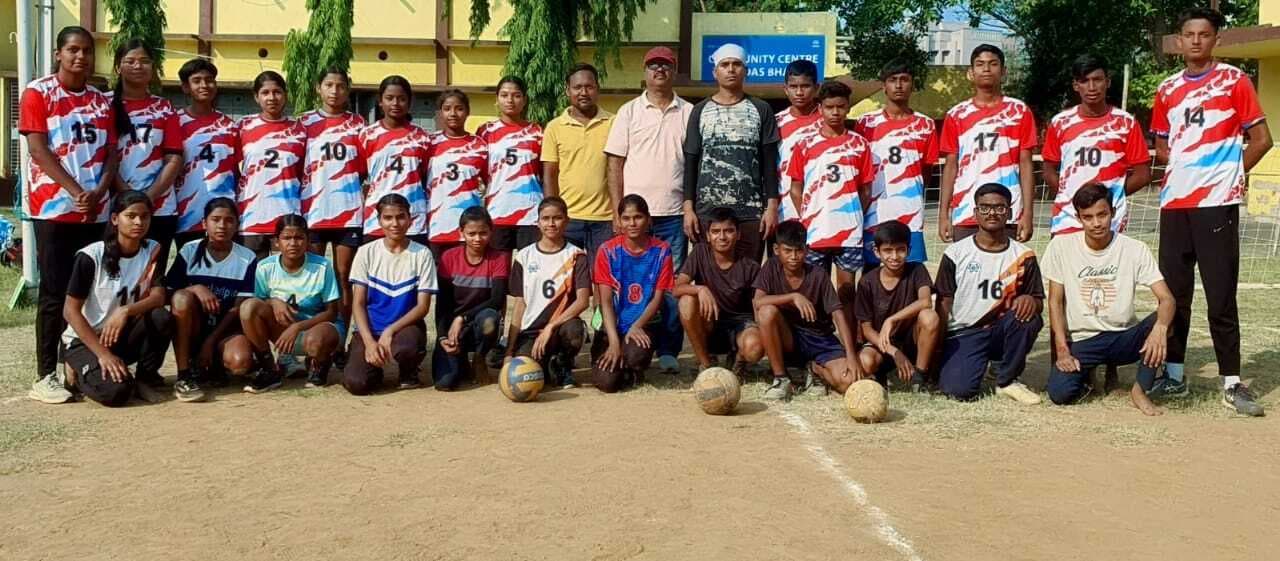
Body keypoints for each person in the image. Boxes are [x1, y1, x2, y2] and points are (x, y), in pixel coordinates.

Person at [1151, 8, 1272, 416]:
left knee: (1220, 295)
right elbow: (1164, 146)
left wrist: (1228, 175)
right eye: (1189, 34)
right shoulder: (1167, 89)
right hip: (1175, 204)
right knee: (1175, 293)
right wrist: (1187, 167)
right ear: (1180, 41)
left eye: (1204, 34)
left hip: (1216, 204)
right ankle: (1173, 374)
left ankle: (1232, 383)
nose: (1196, 41)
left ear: (1216, 39)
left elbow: (1261, 139)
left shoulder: (1234, 81)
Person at [22, 26, 117, 404]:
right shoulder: (37, 92)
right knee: (54, 292)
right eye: (73, 50)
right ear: (59, 54)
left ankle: (74, 366)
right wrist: (75, 191)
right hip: (55, 208)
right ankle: (45, 373)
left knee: (88, 294)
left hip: (95, 211)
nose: (80, 57)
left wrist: (99, 191)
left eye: (87, 51)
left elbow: (111, 152)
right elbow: (38, 149)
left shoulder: (101, 100)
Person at [1043, 183, 1175, 415]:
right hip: (1084, 339)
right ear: (1078, 218)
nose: (1096, 223)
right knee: (1060, 394)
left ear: (1113, 212)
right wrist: (1062, 349)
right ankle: (1090, 374)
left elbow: (1167, 299)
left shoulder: (1134, 249)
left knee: (1172, 317)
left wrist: (1160, 328)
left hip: (1124, 337)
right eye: (1088, 217)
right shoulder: (1061, 247)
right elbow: (1055, 301)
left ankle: (1140, 389)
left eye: (1102, 214)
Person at [604, 46, 693, 374]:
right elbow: (615, 162)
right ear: (645, 72)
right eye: (653, 66)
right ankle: (624, 338)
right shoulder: (628, 112)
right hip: (633, 218)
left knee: (668, 286)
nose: (659, 71)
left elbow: (693, 164)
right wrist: (617, 211)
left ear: (673, 71)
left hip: (672, 214)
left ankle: (669, 349)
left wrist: (689, 208)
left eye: (666, 66)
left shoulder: (688, 112)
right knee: (628, 281)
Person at [934, 184, 1044, 404]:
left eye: (1000, 208)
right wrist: (937, 350)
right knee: (959, 391)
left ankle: (1007, 380)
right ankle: (969, 363)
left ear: (1010, 212)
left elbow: (1039, 300)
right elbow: (943, 304)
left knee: (1029, 317)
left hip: (1002, 330)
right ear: (975, 213)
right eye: (985, 208)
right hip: (965, 333)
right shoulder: (956, 253)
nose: (992, 213)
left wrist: (1030, 299)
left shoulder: (1024, 256)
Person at [61, 191, 172, 407]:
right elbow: (70, 311)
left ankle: (144, 378)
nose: (138, 222)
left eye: (145, 216)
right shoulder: (91, 256)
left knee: (161, 317)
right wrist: (103, 354)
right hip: (85, 340)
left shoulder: (152, 250)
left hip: (120, 333)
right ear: (114, 219)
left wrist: (125, 311)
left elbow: (159, 297)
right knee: (116, 393)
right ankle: (74, 367)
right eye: (131, 216)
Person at [786, 80, 874, 332]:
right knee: (816, 290)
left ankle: (850, 343)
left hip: (848, 232)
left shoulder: (859, 144)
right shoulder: (805, 143)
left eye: (841, 107)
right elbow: (795, 188)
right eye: (829, 107)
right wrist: (808, 217)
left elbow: (865, 190)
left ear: (848, 108)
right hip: (816, 231)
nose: (835, 112)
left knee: (846, 291)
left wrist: (854, 216)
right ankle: (819, 342)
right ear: (820, 107)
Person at [683, 43, 781, 261]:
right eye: (724, 64)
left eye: (736, 64)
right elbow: (690, 162)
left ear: (745, 70)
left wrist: (771, 207)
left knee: (748, 278)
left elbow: (768, 163)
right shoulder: (699, 111)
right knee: (708, 281)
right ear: (715, 72)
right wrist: (688, 210)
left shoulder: (761, 109)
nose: (731, 69)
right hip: (707, 212)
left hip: (750, 212)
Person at [1042, 54, 1152, 236]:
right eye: (1085, 81)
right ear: (1076, 85)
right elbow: (1048, 170)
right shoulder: (1060, 122)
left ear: (1107, 82)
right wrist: (1068, 195)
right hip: (1067, 218)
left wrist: (1111, 195)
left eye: (1097, 80)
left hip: (1110, 220)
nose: (1091, 87)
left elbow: (1143, 174)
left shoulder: (1126, 123)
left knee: (1109, 265)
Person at [938, 44, 1037, 243]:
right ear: (970, 73)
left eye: (993, 64)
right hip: (966, 210)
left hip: (1008, 210)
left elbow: (1026, 164)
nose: (986, 69)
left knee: (1008, 272)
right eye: (980, 64)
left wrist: (1027, 213)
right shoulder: (957, 114)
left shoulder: (1019, 111)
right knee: (966, 271)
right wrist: (943, 215)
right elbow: (950, 166)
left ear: (1003, 71)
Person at [754, 220, 863, 400]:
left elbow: (838, 314)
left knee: (849, 382)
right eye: (787, 251)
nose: (793, 256)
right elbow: (758, 302)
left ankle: (816, 368)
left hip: (819, 339)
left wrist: (851, 355)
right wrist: (793, 297)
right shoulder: (771, 267)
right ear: (776, 250)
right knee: (766, 312)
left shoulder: (818, 274)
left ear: (807, 249)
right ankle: (781, 378)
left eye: (798, 250)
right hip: (789, 338)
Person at [300, 67, 365, 360]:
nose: (334, 91)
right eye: (329, 85)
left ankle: (340, 339)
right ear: (318, 88)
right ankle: (311, 339)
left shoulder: (359, 125)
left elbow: (365, 168)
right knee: (313, 277)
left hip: (348, 212)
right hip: (313, 212)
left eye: (340, 86)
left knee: (343, 277)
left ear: (348, 90)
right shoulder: (304, 124)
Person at [343, 194, 437, 395]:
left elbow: (423, 307)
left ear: (410, 219)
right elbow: (358, 303)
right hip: (370, 328)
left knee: (407, 347)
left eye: (401, 217)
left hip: (404, 328)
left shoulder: (422, 254)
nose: (395, 223)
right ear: (379, 221)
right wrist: (369, 342)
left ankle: (408, 371)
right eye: (388, 218)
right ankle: (374, 369)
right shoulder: (366, 252)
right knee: (356, 383)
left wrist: (390, 331)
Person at [237, 215, 342, 393]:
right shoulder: (265, 267)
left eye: (299, 238)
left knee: (316, 342)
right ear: (276, 242)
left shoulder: (323, 267)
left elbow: (331, 312)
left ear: (308, 240)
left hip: (316, 327)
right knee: (248, 307)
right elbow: (257, 303)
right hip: (283, 331)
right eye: (287, 238)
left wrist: (298, 327)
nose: (293, 243)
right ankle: (269, 368)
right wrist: (274, 301)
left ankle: (320, 363)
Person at [166, 198, 258, 402]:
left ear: (237, 224)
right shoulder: (189, 251)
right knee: (181, 297)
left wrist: (211, 340)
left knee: (240, 364)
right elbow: (168, 292)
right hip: (194, 329)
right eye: (215, 219)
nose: (222, 226)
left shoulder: (247, 257)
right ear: (204, 223)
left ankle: (214, 365)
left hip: (225, 330)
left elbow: (237, 308)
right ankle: (184, 374)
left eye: (229, 220)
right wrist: (196, 288)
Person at [854, 60, 938, 266]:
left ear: (912, 85)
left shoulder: (925, 124)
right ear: (884, 86)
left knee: (910, 274)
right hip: (874, 213)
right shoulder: (866, 123)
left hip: (910, 212)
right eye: (892, 80)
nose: (898, 85)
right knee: (873, 275)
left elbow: (926, 170)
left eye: (904, 80)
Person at [108, 39, 183, 268]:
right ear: (118, 67)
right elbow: (102, 155)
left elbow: (174, 158)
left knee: (152, 275)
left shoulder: (165, 108)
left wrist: (147, 198)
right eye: (130, 61)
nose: (138, 66)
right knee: (114, 270)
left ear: (153, 67)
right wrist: (128, 197)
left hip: (159, 208)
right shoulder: (104, 103)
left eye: (144, 61)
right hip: (116, 205)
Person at [591, 195, 674, 393]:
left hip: (641, 324)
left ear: (648, 220)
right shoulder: (607, 251)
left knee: (636, 357)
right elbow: (606, 302)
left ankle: (632, 368)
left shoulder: (662, 251)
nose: (632, 223)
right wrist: (612, 342)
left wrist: (637, 326)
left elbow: (657, 298)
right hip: (611, 326)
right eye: (626, 218)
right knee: (606, 384)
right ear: (618, 221)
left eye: (638, 217)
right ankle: (606, 350)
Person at [505, 197, 591, 388]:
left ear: (567, 221)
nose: (551, 223)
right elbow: (520, 304)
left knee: (575, 329)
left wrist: (551, 326)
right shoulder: (524, 256)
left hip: (561, 328)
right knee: (530, 377)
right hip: (531, 332)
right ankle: (545, 364)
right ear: (538, 222)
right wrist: (510, 351)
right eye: (545, 218)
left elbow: (583, 301)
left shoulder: (577, 256)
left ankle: (563, 363)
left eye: (557, 218)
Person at [673, 207, 763, 377]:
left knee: (755, 348)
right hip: (710, 323)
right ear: (708, 235)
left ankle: (739, 360)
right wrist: (700, 288)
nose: (722, 237)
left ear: (738, 234)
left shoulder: (750, 266)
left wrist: (760, 340)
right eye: (716, 231)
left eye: (728, 231)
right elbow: (677, 288)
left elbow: (758, 306)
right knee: (686, 300)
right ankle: (706, 365)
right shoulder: (700, 252)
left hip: (740, 325)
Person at [543, 63, 616, 268]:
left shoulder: (614, 123)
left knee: (604, 280)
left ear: (597, 89)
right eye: (577, 87)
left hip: (605, 219)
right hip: (568, 219)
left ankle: (601, 304)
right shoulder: (554, 127)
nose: (583, 92)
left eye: (589, 87)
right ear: (567, 90)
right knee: (566, 280)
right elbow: (549, 174)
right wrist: (553, 214)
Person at [853, 221, 939, 390]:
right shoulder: (867, 282)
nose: (894, 256)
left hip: (910, 340)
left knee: (929, 316)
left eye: (900, 249)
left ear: (908, 249)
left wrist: (891, 320)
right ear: (877, 252)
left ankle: (919, 376)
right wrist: (894, 352)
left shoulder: (917, 270)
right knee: (866, 361)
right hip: (881, 342)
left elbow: (926, 301)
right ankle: (880, 373)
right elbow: (867, 330)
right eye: (887, 250)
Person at [432, 207, 509, 391]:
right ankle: (460, 361)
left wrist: (463, 318)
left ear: (491, 232)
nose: (477, 239)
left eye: (483, 233)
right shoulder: (449, 257)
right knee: (445, 384)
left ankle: (480, 357)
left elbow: (497, 300)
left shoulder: (499, 258)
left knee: (490, 318)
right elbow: (442, 303)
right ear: (461, 233)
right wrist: (443, 336)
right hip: (453, 329)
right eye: (471, 233)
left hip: (479, 324)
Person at [237, 71, 305, 258]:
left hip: (287, 216)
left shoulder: (299, 130)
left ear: (285, 95)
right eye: (265, 92)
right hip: (251, 216)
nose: (272, 97)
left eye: (277, 92)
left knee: (283, 279)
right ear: (256, 97)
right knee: (251, 280)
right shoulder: (243, 126)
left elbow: (303, 172)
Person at [173, 58, 238, 249]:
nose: (204, 85)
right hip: (187, 214)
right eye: (197, 80)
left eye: (209, 80)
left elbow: (237, 170)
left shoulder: (229, 126)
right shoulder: (175, 123)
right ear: (185, 87)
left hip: (223, 217)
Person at [359, 75, 432, 244]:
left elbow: (425, 176)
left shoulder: (422, 137)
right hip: (376, 219)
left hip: (413, 218)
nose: (395, 104)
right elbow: (361, 175)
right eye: (389, 98)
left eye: (401, 99)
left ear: (409, 102)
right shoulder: (367, 135)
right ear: (380, 101)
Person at [478, 76, 544, 252]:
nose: (510, 100)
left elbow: (544, 170)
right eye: (504, 95)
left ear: (524, 100)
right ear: (497, 99)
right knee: (499, 274)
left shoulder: (537, 131)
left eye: (516, 95)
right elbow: (482, 170)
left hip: (530, 213)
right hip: (497, 212)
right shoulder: (485, 131)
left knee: (528, 272)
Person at [426, 90, 489, 260]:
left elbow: (490, 182)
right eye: (447, 108)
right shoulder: (429, 143)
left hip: (469, 228)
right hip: (437, 226)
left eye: (459, 108)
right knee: (438, 281)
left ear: (468, 111)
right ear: (440, 112)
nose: (453, 113)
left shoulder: (480, 145)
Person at [775, 59, 822, 224]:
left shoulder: (828, 121)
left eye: (805, 86)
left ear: (816, 88)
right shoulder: (776, 123)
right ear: (785, 89)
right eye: (794, 87)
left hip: (821, 212)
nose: (799, 92)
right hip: (783, 213)